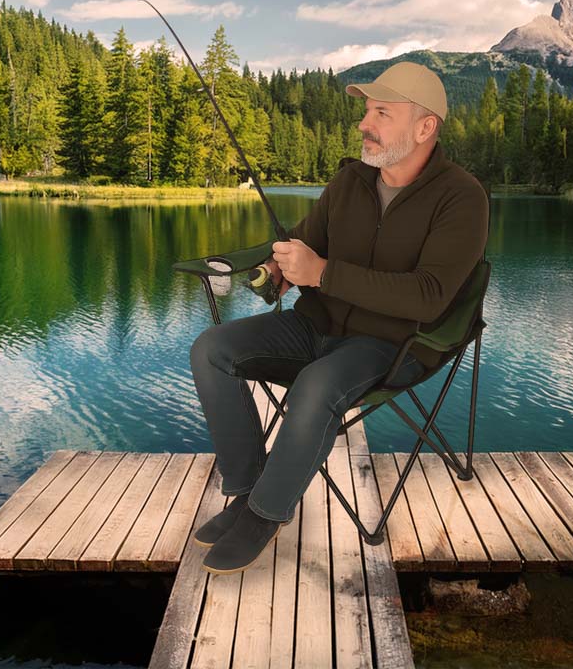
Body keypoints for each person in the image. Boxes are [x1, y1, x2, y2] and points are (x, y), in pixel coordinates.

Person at [188, 61, 490, 574]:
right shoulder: (350, 179)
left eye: (382, 113)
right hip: (315, 325)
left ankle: (265, 514)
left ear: (425, 127)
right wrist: (278, 269)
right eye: (367, 111)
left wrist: (324, 273)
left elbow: (428, 298)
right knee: (211, 349)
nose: (364, 124)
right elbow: (305, 241)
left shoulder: (462, 197)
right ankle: (247, 490)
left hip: (393, 345)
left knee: (317, 384)